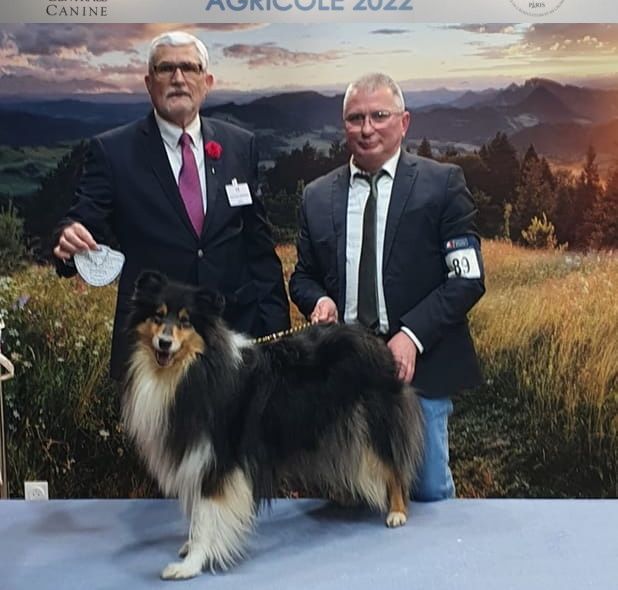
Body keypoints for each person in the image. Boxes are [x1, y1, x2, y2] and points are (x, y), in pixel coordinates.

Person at [289, 72, 485, 501]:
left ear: (404, 122)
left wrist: (412, 336)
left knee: (426, 492)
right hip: (340, 372)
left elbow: (467, 278)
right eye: (355, 118)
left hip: (418, 369)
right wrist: (319, 299)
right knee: (342, 499)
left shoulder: (443, 184)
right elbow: (303, 276)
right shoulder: (316, 197)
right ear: (344, 125)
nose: (367, 128)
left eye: (379, 116)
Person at [53, 31, 290, 381]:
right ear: (149, 83)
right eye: (166, 68)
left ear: (207, 82)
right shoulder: (113, 151)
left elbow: (259, 246)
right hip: (156, 351)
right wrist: (68, 237)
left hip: (234, 339)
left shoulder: (241, 145)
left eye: (189, 68)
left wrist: (277, 335)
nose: (178, 78)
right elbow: (82, 219)